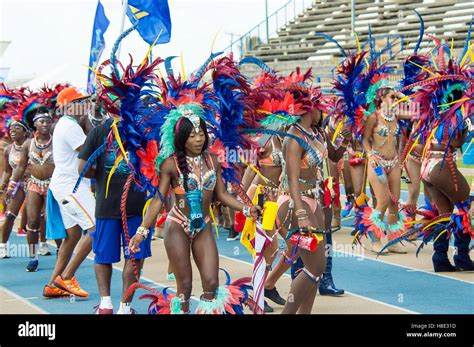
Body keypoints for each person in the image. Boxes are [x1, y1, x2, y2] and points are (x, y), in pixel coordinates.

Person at [276, 87, 351, 313]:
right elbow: (292, 179)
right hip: (293, 202)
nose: (323, 112)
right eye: (320, 107)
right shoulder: (294, 137)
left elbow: (334, 156)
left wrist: (345, 141)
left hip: (314, 201)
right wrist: (300, 213)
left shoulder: (318, 133)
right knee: (315, 266)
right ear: (310, 108)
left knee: (314, 269)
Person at [78, 116, 151, 314]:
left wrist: (101, 175)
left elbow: (82, 168)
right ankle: (124, 308)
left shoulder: (98, 131)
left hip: (106, 205)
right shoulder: (143, 129)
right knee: (134, 257)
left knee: (103, 256)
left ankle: (105, 305)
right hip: (136, 206)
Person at [42, 86, 95, 298]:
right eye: (82, 101)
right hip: (71, 189)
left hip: (63, 187)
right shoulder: (70, 126)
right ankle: (66, 278)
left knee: (72, 235)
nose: (87, 104)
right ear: (70, 106)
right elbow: (88, 153)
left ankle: (52, 284)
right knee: (95, 229)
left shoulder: (67, 124)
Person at [361, 87, 410, 254]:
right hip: (378, 163)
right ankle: (375, 240)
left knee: (394, 203)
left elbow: (416, 113)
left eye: (396, 97)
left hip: (394, 162)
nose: (395, 99)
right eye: (392, 97)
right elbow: (365, 139)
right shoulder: (374, 117)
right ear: (381, 99)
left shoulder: (396, 115)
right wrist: (370, 154)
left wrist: (404, 97)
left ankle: (393, 240)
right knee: (382, 202)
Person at [10, 107, 56, 270]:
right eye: (42, 122)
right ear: (35, 125)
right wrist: (11, 186)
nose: (45, 124)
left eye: (48, 122)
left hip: (53, 185)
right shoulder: (28, 144)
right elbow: (21, 167)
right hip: (34, 184)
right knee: (33, 220)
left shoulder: (56, 142)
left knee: (52, 220)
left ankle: (61, 252)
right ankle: (33, 257)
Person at [0, 120, 29, 259]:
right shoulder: (8, 149)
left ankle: (41, 245)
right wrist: (3, 187)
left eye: (17, 129)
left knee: (36, 217)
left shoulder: (32, 145)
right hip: (15, 185)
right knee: (10, 215)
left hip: (32, 183)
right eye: (11, 129)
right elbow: (7, 171)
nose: (13, 131)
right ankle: (3, 246)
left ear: (25, 132)